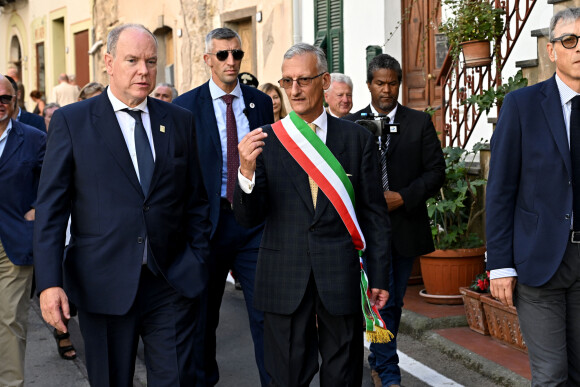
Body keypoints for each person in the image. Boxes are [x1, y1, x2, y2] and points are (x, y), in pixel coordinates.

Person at [33, 23, 211, 386]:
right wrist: (49, 283)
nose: (143, 71)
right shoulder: (73, 121)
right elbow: (51, 211)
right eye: (132, 60)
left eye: (150, 61)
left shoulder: (179, 121)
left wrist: (197, 259)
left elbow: (196, 201)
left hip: (171, 282)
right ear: (109, 63)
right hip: (103, 285)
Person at [235, 43, 391, 387]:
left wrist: (379, 275)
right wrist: (246, 171)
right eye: (287, 81)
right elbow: (249, 218)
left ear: (323, 81)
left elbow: (374, 215)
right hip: (283, 277)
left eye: (303, 80)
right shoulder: (267, 141)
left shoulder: (356, 139)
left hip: (340, 276)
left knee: (343, 376)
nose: (293, 90)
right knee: (286, 378)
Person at [173, 27, 274, 387]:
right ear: (207, 60)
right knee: (203, 318)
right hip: (207, 226)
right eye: (222, 55)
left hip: (252, 225)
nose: (231, 61)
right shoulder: (184, 107)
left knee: (265, 314)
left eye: (237, 54)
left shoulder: (259, 103)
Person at [487, 7, 580, 386]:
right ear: (552, 51)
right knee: (552, 375)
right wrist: (501, 264)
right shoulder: (522, 106)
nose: (579, 49)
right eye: (570, 41)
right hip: (539, 263)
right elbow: (500, 191)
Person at [344, 54, 445, 387]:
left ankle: (380, 359)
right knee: (371, 299)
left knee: (393, 300)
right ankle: (387, 370)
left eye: (392, 83)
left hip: (403, 229)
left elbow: (435, 173)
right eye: (379, 83)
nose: (386, 90)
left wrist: (403, 196)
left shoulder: (419, 123)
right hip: (363, 232)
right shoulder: (351, 125)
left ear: (399, 84)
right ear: (369, 83)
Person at [0, 73, 46, 387]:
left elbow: (55, 183)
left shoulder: (33, 137)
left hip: (14, 242)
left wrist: (38, 209)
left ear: (15, 99)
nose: (0, 104)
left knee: (9, 320)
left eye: (5, 97)